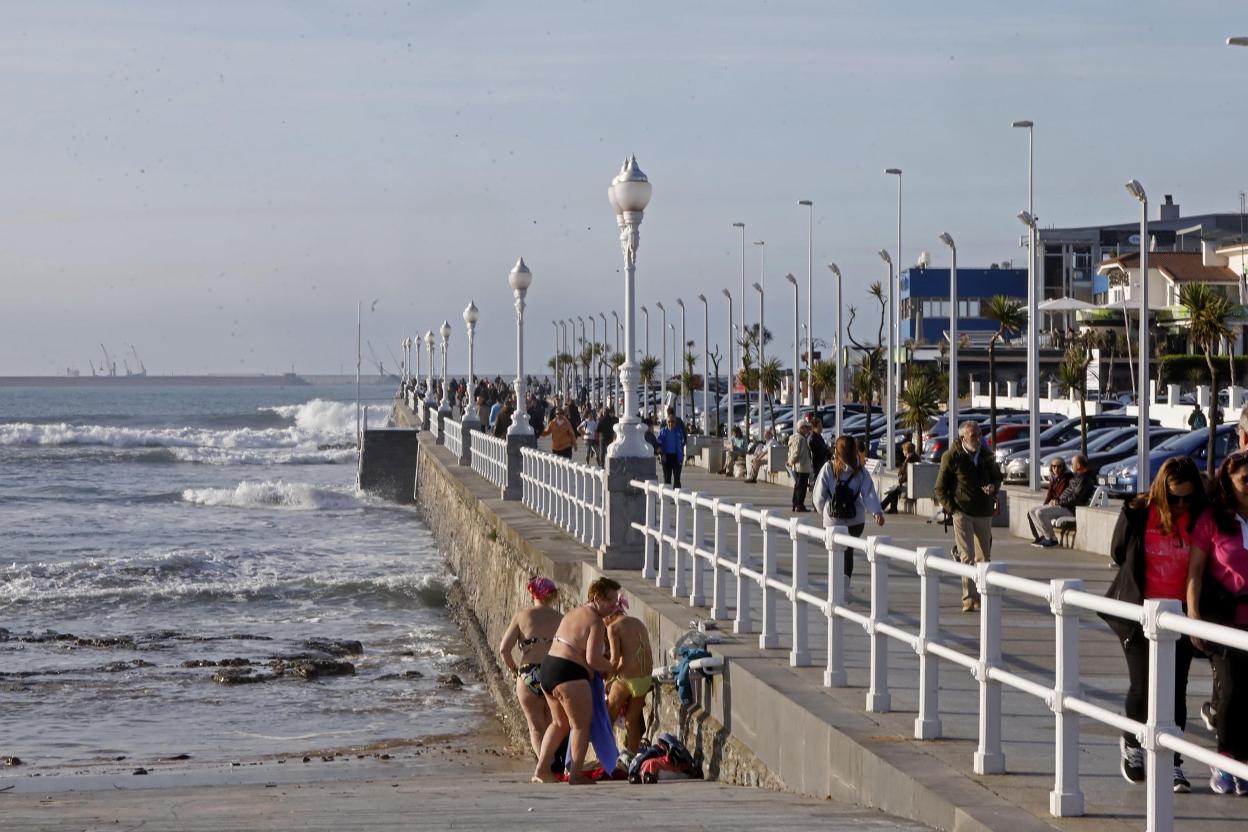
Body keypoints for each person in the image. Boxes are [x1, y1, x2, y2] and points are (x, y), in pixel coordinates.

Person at [1102, 456, 1203, 793]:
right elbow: (1118, 552)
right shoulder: (1137, 512)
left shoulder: (1200, 517)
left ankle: (1172, 762)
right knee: (1143, 685)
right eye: (1174, 497)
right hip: (1138, 614)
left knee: (1176, 691)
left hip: (1180, 615)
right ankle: (1133, 744)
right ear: (1161, 490)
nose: (1180, 504)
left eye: (1187, 497)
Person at [1187, 451, 1248, 795]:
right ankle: (1225, 759)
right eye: (1245, 479)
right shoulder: (1213, 520)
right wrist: (1194, 617)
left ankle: (1243, 761)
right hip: (1224, 620)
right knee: (1230, 692)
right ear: (1229, 481)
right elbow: (1195, 573)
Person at [532, 577, 620, 784]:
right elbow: (592, 658)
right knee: (580, 725)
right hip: (570, 673)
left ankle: (542, 769)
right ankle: (576, 774)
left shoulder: (573, 613)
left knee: (559, 723)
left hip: (548, 669)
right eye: (611, 601)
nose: (615, 607)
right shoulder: (595, 621)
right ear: (597, 598)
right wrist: (613, 666)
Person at [934, 420, 1004, 613]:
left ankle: (981, 596)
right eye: (974, 435)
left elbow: (998, 477)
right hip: (962, 512)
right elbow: (940, 488)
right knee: (967, 556)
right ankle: (968, 598)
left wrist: (993, 486)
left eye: (980, 435)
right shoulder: (952, 457)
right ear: (963, 437)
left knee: (984, 557)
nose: (978, 439)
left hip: (984, 511)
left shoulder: (987, 456)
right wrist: (953, 509)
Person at [498, 577, 564, 762]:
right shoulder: (560, 618)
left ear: (532, 593)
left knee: (535, 726)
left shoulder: (522, 616)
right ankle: (553, 762)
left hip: (529, 672)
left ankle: (544, 765)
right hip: (553, 671)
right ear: (552, 596)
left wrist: (514, 670)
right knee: (554, 723)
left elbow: (504, 650)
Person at [813, 435, 884, 581]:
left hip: (833, 519)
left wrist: (823, 511)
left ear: (836, 451)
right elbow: (869, 492)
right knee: (848, 550)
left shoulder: (829, 468)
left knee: (835, 551)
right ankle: (846, 579)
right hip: (855, 520)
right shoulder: (860, 471)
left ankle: (836, 582)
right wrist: (876, 512)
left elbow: (819, 495)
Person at [605, 598, 654, 755]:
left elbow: (614, 659)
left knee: (608, 717)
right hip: (645, 678)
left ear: (608, 616)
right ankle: (632, 758)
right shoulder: (638, 622)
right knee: (632, 720)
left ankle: (607, 755)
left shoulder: (613, 627)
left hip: (627, 679)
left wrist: (607, 679)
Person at [1029, 454, 1097, 548]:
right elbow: (1068, 494)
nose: (1071, 465)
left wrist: (1057, 502)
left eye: (1072, 463)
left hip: (1070, 509)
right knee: (1032, 511)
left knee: (1040, 512)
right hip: (1063, 505)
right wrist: (1055, 501)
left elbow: (1076, 499)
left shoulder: (1085, 479)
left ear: (1078, 465)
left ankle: (1051, 539)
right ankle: (1045, 537)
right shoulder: (1078, 477)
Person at [880, 441, 920, 514]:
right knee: (894, 490)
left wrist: (900, 481)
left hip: (910, 485)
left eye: (903, 450)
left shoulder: (910, 459)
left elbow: (908, 475)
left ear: (906, 450)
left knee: (894, 491)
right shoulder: (911, 458)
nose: (902, 451)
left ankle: (883, 506)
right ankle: (891, 508)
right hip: (910, 484)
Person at [787, 421, 813, 512]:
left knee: (797, 486)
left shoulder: (794, 437)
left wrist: (790, 462)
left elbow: (791, 452)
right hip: (802, 466)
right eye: (806, 427)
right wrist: (791, 462)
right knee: (801, 487)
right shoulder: (801, 439)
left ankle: (795, 504)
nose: (807, 430)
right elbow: (796, 453)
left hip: (797, 466)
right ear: (801, 428)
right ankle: (799, 505)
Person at [657, 413, 686, 488]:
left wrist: (681, 455)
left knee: (677, 479)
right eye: (669, 421)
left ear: (675, 422)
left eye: (672, 421)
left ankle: (677, 498)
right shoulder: (662, 431)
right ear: (666, 422)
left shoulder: (679, 431)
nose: (671, 423)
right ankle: (667, 498)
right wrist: (661, 455)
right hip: (666, 457)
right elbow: (658, 444)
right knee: (667, 479)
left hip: (676, 457)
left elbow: (682, 443)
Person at [807, 416, 831, 481]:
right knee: (817, 480)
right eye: (819, 427)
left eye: (821, 426)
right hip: (817, 465)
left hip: (821, 463)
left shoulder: (819, 437)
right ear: (814, 428)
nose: (821, 428)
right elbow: (817, 451)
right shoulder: (812, 438)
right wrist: (827, 450)